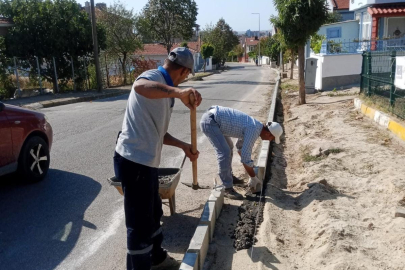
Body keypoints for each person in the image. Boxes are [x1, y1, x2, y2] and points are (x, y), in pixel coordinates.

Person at [114, 47, 202, 270]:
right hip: (134, 161)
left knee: (153, 214)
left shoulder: (166, 94)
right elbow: (139, 86)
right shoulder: (153, 78)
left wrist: (184, 146)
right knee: (138, 225)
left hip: (147, 163)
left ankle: (156, 257)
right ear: (183, 71)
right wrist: (177, 92)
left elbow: (160, 133)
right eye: (188, 75)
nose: (185, 80)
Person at [200, 105, 283, 200]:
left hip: (214, 119)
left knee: (229, 146)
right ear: (268, 133)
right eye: (271, 138)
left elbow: (240, 148)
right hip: (211, 122)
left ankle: (229, 177)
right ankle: (227, 188)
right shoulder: (254, 130)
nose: (270, 140)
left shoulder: (255, 125)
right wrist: (253, 176)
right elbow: (245, 157)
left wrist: (250, 166)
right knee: (224, 152)